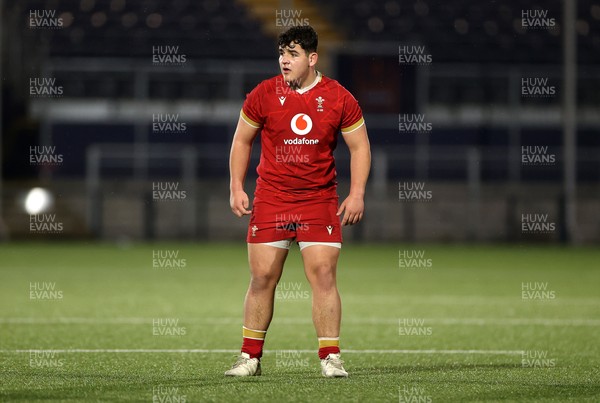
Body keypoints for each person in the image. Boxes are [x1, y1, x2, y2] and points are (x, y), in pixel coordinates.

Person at [225, 25, 371, 378]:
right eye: (281, 53)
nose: (284, 60)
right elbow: (242, 140)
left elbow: (360, 146)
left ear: (312, 58)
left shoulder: (339, 97)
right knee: (262, 276)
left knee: (323, 274)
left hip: (318, 199)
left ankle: (330, 358)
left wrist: (357, 193)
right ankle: (250, 358)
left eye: (292, 54)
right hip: (272, 197)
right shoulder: (263, 94)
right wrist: (236, 186)